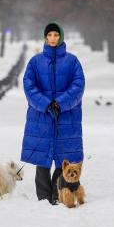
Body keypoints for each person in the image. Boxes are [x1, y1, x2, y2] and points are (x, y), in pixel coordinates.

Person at [20, 22, 85, 204]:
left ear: (61, 37)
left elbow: (78, 86)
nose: (53, 38)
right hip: (41, 116)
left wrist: (61, 103)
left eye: (56, 35)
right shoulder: (35, 62)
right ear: (45, 38)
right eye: (50, 35)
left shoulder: (72, 62)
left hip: (67, 116)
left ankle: (58, 193)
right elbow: (29, 85)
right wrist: (46, 103)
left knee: (64, 156)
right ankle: (43, 196)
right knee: (43, 156)